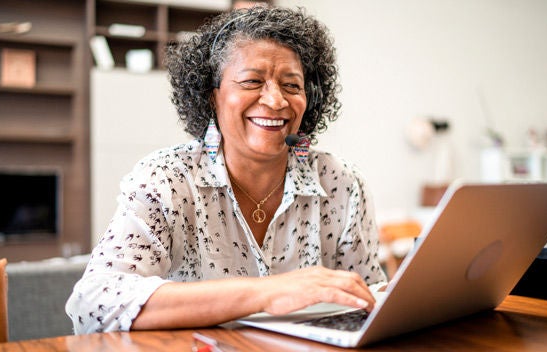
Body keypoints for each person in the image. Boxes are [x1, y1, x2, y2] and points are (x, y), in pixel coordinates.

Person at [66, 5, 386, 334]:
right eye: (252, 81)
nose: (276, 101)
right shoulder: (166, 178)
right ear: (211, 96)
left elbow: (369, 302)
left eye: (291, 85)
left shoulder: (341, 183)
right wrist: (267, 293)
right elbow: (93, 305)